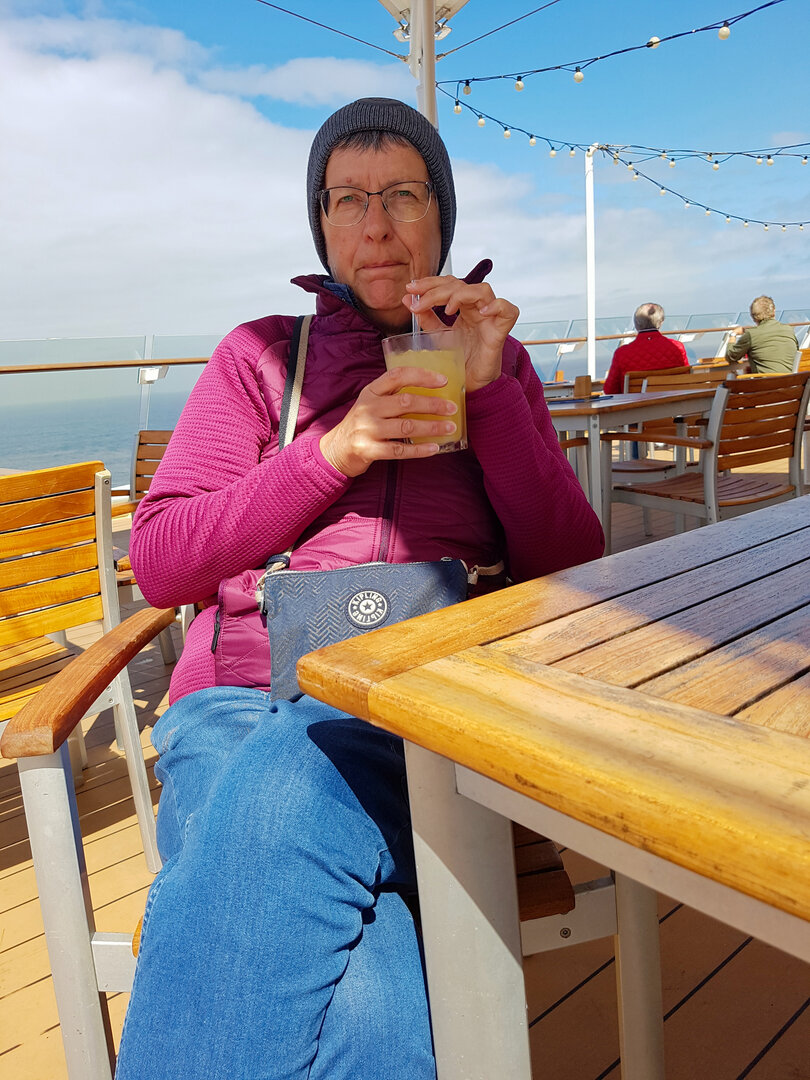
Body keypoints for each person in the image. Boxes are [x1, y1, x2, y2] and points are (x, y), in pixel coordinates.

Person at [116, 97, 603, 1080]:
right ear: (322, 224)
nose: (376, 225)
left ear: (442, 218)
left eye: (403, 195)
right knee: (366, 987)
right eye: (347, 198)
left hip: (422, 702)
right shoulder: (259, 357)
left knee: (291, 782)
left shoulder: (499, 364)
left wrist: (490, 393)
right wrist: (333, 452)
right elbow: (163, 560)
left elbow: (569, 563)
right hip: (239, 697)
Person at [602, 302, 689, 394]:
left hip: (637, 403)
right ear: (661, 322)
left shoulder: (622, 353)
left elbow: (610, 390)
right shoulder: (677, 347)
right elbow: (687, 379)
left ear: (636, 324)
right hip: (672, 401)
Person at [726, 295, 799, 373]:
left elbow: (731, 356)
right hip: (790, 379)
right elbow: (796, 352)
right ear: (774, 311)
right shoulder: (789, 330)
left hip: (765, 380)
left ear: (753, 317)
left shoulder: (751, 334)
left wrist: (733, 334)